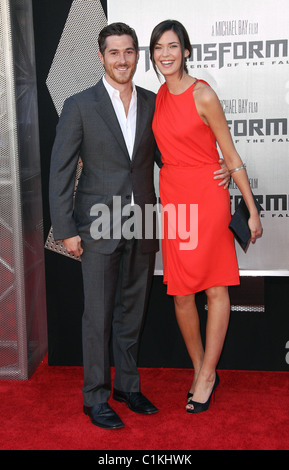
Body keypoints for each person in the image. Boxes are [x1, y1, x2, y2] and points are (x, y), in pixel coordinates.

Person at [49, 22, 230, 429]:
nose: (122, 60)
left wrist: (213, 166)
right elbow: (60, 172)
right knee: (97, 315)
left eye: (129, 52)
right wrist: (65, 229)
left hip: (143, 222)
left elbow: (176, 152)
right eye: (114, 53)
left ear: (137, 56)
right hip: (97, 225)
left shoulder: (154, 102)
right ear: (101, 57)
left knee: (132, 312)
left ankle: (126, 385)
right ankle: (94, 396)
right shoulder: (80, 105)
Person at [149, 20, 263, 414]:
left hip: (208, 199)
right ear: (153, 55)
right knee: (181, 293)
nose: (166, 54)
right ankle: (203, 370)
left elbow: (229, 157)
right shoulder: (157, 98)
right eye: (159, 47)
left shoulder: (203, 94)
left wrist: (251, 210)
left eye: (173, 46)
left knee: (216, 289)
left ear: (186, 51)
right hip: (175, 204)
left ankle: (207, 374)